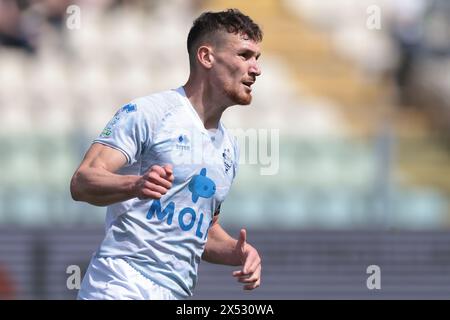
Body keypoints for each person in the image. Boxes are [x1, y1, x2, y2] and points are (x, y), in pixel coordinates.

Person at [70, 8, 263, 300]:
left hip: (176, 293)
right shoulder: (151, 113)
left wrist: (237, 251)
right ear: (207, 57)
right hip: (121, 283)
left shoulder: (229, 148)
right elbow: (82, 182)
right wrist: (134, 185)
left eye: (257, 58)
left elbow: (203, 232)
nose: (256, 69)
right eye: (245, 55)